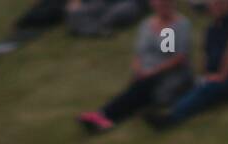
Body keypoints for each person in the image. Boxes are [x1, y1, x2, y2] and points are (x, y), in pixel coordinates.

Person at [77, 0, 192, 133]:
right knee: (136, 93)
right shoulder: (146, 25)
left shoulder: (180, 25)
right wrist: (137, 69)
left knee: (138, 91)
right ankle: (105, 119)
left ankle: (103, 115)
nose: (161, 6)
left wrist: (153, 71)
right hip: (145, 76)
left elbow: (179, 58)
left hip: (168, 75)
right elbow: (139, 54)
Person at [148, 0, 228, 129]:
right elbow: (206, 56)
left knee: (208, 88)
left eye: (219, 4)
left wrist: (222, 75)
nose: (216, 8)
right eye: (213, 5)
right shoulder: (211, 29)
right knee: (195, 85)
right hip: (218, 76)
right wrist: (205, 75)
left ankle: (172, 118)